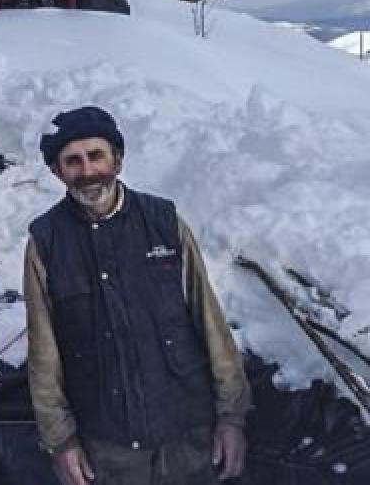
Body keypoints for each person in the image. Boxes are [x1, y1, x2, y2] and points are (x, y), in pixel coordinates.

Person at [22, 106, 252, 485]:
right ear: (57, 172)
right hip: (109, 452)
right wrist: (60, 442)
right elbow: (43, 354)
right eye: (73, 161)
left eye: (96, 155)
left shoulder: (164, 222)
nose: (88, 170)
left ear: (118, 158)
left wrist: (231, 418)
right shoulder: (45, 243)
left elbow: (211, 324)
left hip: (189, 440)